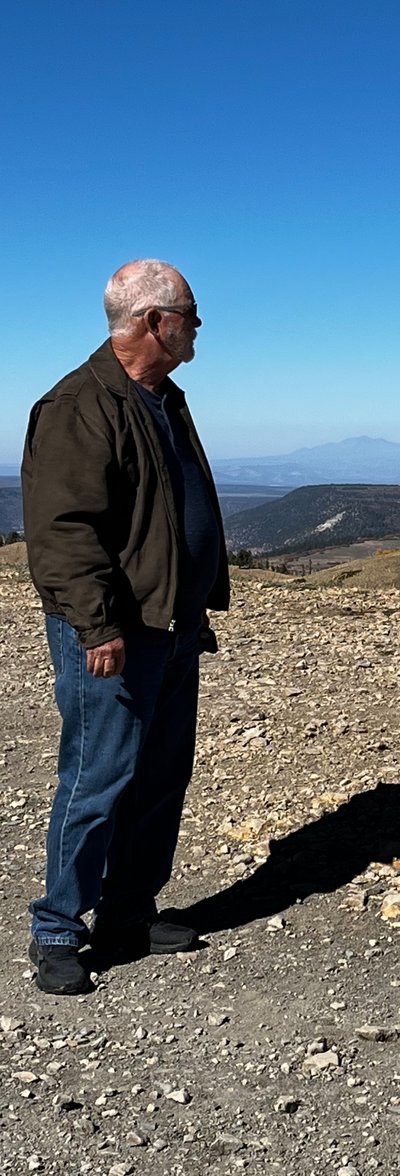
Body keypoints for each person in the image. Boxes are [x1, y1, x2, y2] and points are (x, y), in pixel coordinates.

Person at [22, 259, 229, 995]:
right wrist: (95, 625)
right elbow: (62, 530)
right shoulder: (80, 404)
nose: (198, 327)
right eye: (191, 315)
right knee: (98, 776)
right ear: (152, 321)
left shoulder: (161, 397)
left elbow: (167, 518)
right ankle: (57, 929)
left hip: (168, 624)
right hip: (114, 633)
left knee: (159, 776)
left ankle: (128, 914)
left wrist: (191, 607)